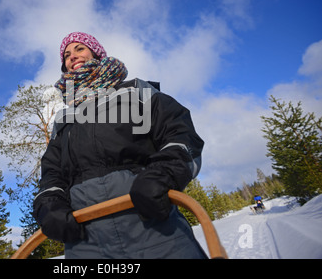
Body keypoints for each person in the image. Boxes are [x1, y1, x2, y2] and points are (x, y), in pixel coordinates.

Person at [33, 31, 207, 258]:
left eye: (79, 49)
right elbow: (52, 174)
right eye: (66, 55)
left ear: (96, 53)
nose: (72, 56)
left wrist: (162, 175)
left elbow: (180, 134)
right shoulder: (64, 121)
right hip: (85, 240)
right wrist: (50, 205)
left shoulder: (135, 91)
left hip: (154, 227)